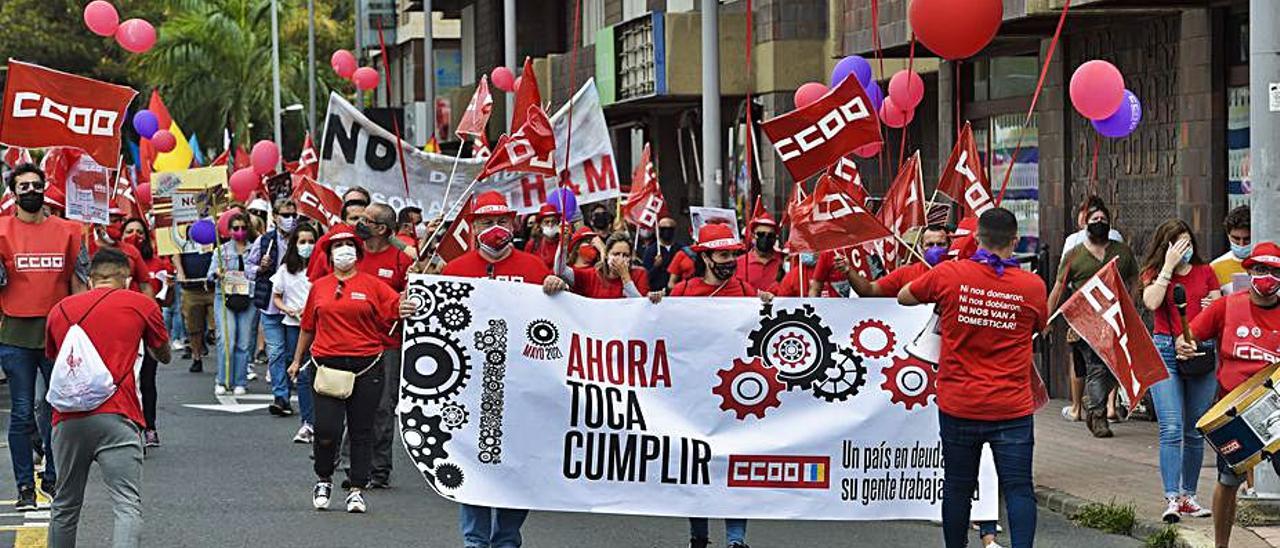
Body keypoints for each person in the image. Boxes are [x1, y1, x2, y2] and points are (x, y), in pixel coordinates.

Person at [899, 208, 1047, 548]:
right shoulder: (1032, 286)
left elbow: (904, 295)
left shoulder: (949, 275)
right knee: (1019, 487)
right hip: (1011, 408)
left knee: (957, 487)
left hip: (959, 404)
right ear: (1014, 242)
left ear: (977, 239)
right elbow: (1041, 326)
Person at [439, 191, 563, 548]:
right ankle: (475, 542)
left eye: (502, 221)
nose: (495, 229)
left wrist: (556, 289)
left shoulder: (534, 269)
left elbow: (558, 323)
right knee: (471, 466)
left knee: (515, 466)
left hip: (521, 390)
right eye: (487, 222)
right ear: (473, 226)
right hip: (471, 391)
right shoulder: (455, 271)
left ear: (513, 224)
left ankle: (507, 540)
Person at [650, 223, 771, 548]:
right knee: (697, 469)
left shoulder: (747, 292)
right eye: (723, 254)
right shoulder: (683, 292)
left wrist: (770, 305)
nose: (730, 259)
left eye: (733, 253)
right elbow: (661, 333)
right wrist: (654, 304)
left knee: (735, 466)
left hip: (735, 398)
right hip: (693, 398)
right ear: (706, 257)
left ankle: (736, 539)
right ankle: (699, 537)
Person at [44, 248, 170, 548]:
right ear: (125, 279)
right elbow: (163, 354)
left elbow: (53, 355)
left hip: (68, 419)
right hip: (119, 413)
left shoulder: (60, 309)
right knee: (126, 504)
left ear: (91, 280)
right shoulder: (140, 304)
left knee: (65, 504)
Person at [287, 225, 400, 514]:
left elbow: (395, 308)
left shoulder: (373, 285)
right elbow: (307, 327)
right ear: (329, 253)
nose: (344, 250)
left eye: (349, 244)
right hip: (327, 366)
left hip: (367, 366)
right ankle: (323, 478)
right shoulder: (320, 287)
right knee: (327, 429)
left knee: (362, 431)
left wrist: (408, 302)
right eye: (338, 246)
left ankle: (357, 488)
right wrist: (297, 360)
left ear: (358, 251)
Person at [1180, 242, 1280, 548]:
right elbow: (1188, 337)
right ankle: (1220, 545)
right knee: (1228, 480)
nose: (1267, 277)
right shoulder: (1226, 307)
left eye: (1275, 271)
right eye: (1260, 269)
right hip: (1233, 412)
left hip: (1275, 408)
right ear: (1248, 272)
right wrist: (1183, 346)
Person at [0, 163, 86, 511]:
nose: (32, 190)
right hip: (15, 335)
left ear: (45, 187)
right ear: (13, 193)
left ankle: (52, 477)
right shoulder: (1, 231)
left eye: (37, 184)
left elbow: (79, 281)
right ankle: (24, 488)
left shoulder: (69, 231)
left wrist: (84, 327)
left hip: (59, 334)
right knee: (21, 413)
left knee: (56, 410)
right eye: (24, 186)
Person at [1139, 220, 1219, 523]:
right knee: (1170, 427)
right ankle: (1171, 497)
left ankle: (1189, 496)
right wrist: (1167, 268)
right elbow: (1151, 302)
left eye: (1187, 243)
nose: (1184, 250)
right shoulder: (1155, 273)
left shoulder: (1206, 271)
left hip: (1200, 349)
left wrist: (1215, 301)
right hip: (1165, 352)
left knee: (1194, 429)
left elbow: (1217, 308)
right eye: (1177, 245)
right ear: (1166, 247)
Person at [1047, 201, 1138, 437]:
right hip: (1085, 323)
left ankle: (1095, 402)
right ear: (1085, 224)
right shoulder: (1074, 256)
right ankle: (1097, 416)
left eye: (1103, 219)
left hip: (1114, 320)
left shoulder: (1122, 252)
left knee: (1114, 367)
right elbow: (1058, 288)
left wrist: (1130, 303)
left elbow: (1134, 281)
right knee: (1098, 366)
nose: (1099, 223)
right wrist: (1046, 318)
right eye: (1094, 219)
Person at [247, 199, 300, 415]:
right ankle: (281, 396)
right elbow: (248, 268)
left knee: (290, 353)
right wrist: (261, 267)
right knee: (276, 351)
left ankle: (286, 387)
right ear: (275, 217)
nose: (290, 220)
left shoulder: (302, 240)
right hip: (271, 305)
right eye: (285, 215)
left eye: (293, 215)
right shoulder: (264, 241)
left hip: (295, 306)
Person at [122, 218, 171, 448]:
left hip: (147, 328)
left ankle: (150, 426)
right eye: (129, 231)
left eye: (139, 232)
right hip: (120, 329)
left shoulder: (157, 263)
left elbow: (166, 300)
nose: (134, 235)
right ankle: (127, 428)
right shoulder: (115, 261)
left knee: (147, 380)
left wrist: (169, 284)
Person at [271, 223, 319, 443]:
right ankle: (307, 423)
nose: (307, 246)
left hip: (319, 327)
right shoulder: (285, 270)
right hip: (294, 326)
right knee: (300, 371)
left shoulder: (322, 269)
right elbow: (277, 297)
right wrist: (289, 309)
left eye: (311, 241)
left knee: (318, 374)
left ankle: (321, 421)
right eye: (302, 242)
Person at [211, 211, 259, 395]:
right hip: (225, 298)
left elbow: (259, 272)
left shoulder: (255, 249)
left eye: (243, 228)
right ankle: (222, 380)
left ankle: (240, 381)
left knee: (244, 342)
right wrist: (217, 273)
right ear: (229, 230)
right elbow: (210, 274)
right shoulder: (221, 251)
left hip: (248, 298)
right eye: (235, 228)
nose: (239, 231)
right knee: (226, 339)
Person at [844, 225, 952, 297]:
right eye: (930, 245)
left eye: (941, 244)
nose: (935, 248)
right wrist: (849, 271)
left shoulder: (959, 272)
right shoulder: (905, 273)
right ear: (921, 247)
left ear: (950, 246)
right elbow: (869, 290)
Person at [175, 223, 216, 373]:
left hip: (212, 287)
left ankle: (226, 361)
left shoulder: (211, 225)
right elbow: (175, 250)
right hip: (191, 288)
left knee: (218, 326)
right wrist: (180, 272)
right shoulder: (182, 228)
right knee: (194, 327)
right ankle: (196, 357)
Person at [561, 232, 649, 299]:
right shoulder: (593, 274)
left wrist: (625, 277)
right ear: (607, 254)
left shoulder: (639, 274)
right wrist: (563, 245)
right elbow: (561, 270)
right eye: (616, 254)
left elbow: (640, 306)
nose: (621, 259)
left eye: (625, 255)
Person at [735, 212, 782, 291]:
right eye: (761, 234)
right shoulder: (738, 263)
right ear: (753, 236)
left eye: (770, 235)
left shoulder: (783, 261)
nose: (765, 238)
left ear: (775, 238)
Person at [1210, 205, 1252, 295]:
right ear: (1228, 235)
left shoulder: (1266, 261)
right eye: (1236, 238)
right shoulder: (1215, 267)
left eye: (1247, 239)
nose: (1241, 244)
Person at [641, 217, 680, 290]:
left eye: (670, 229)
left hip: (676, 293)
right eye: (663, 229)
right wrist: (655, 266)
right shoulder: (650, 250)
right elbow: (645, 277)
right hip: (656, 292)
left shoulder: (680, 249)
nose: (667, 232)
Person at [524, 204, 562, 269]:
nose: (550, 224)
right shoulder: (532, 244)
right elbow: (526, 264)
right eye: (547, 222)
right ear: (540, 225)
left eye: (553, 221)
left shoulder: (563, 241)